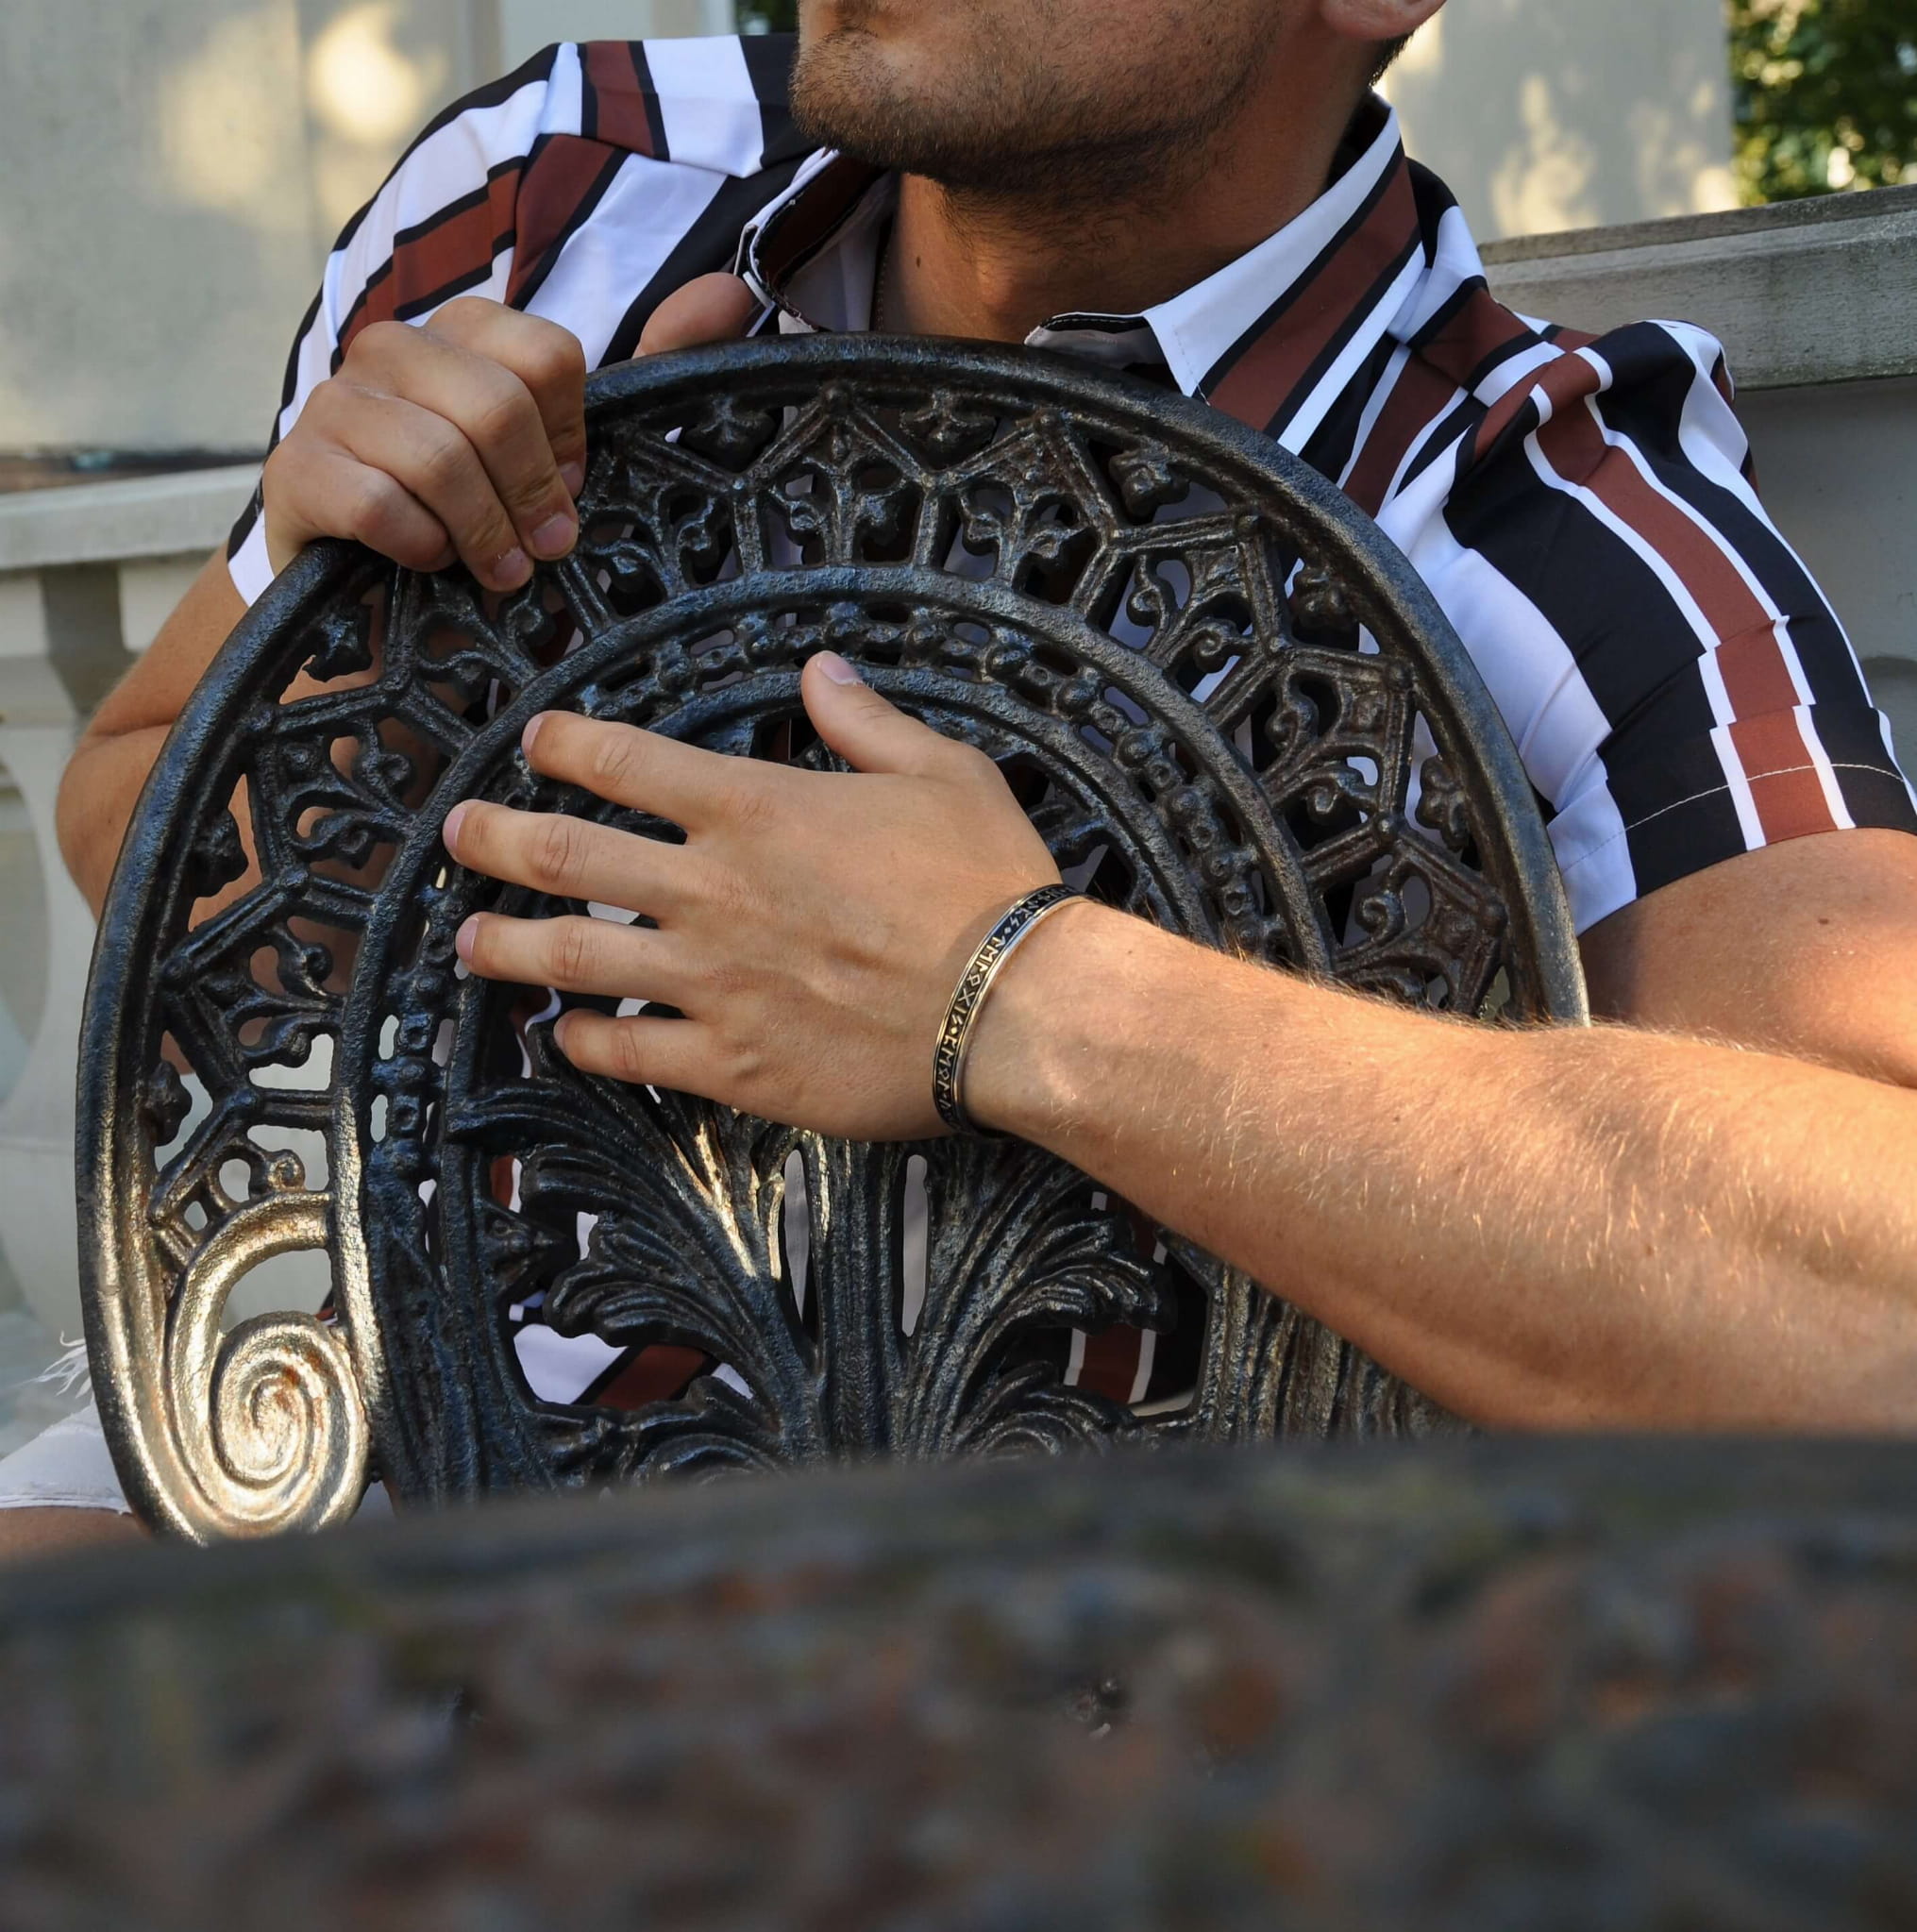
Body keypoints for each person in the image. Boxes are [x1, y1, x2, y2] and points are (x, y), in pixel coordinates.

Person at [14, 0, 1917, 1557]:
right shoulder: (554, 198)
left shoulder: (1537, 530)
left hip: (1093, 1689)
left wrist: (1018, 993)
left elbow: (1872, 1323)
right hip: (396, 1492)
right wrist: (344, 630)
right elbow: (136, 840)